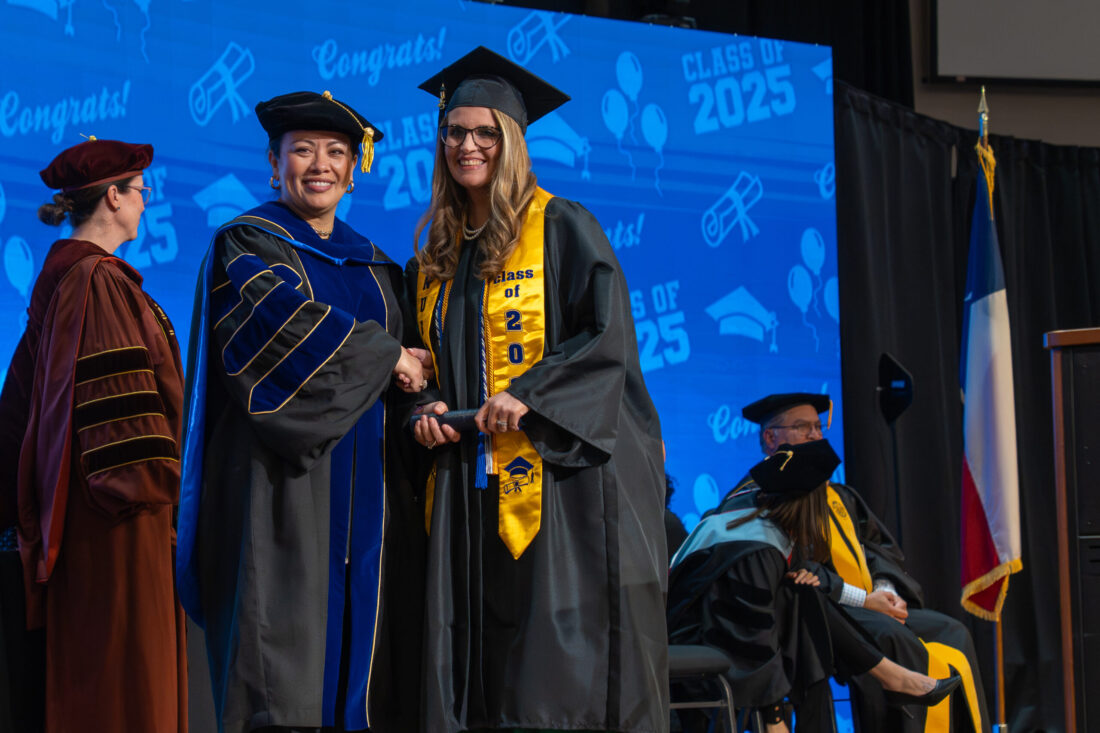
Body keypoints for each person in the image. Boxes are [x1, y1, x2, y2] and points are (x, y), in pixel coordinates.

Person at [409, 46, 668, 733]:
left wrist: (530, 392)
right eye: (456, 131)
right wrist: (422, 410)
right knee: (477, 658)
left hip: (554, 485)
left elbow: (606, 339)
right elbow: (425, 362)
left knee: (546, 670)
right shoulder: (436, 251)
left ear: (512, 141)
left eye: (486, 132)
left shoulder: (560, 226)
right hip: (467, 485)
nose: (469, 145)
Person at [175, 91, 427, 733]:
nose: (320, 165)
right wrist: (387, 355)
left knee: (361, 667)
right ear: (273, 161)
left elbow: (410, 367)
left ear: (353, 169)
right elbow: (281, 329)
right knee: (282, 671)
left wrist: (424, 394)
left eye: (336, 152)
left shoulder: (377, 265)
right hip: (279, 492)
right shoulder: (247, 245)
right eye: (303, 150)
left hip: (367, 497)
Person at [0, 137, 187, 731]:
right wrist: (170, 487)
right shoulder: (96, 281)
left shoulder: (67, 278)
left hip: (96, 515)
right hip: (123, 518)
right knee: (124, 683)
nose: (144, 201)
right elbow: (126, 434)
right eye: (139, 190)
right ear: (112, 196)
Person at [723, 392, 987, 733]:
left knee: (952, 631)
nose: (815, 435)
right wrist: (862, 599)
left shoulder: (840, 496)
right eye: (803, 427)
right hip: (821, 611)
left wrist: (885, 589)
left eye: (818, 427)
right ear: (770, 437)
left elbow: (876, 550)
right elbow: (795, 574)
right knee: (890, 635)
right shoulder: (759, 498)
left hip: (868, 603)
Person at [668, 439, 961, 733]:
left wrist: (856, 596)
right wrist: (774, 716)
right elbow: (751, 636)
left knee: (804, 597)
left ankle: (890, 676)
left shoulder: (760, 520)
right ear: (811, 503)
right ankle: (890, 676)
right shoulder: (756, 547)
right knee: (804, 608)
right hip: (703, 636)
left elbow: (801, 573)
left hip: (732, 630)